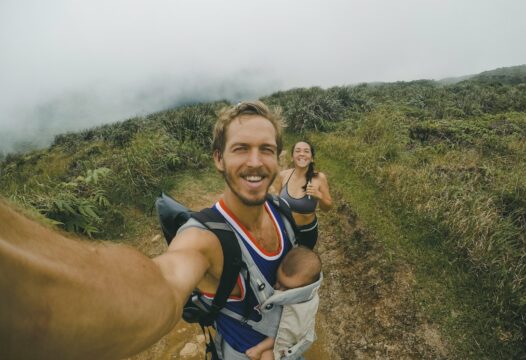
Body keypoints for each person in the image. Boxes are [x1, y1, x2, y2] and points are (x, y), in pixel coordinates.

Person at [0, 101, 307, 360]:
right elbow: (165, 280)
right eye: (240, 148)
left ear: (278, 158)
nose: (255, 162)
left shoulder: (280, 209)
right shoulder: (205, 239)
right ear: (218, 158)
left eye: (266, 149)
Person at [245, 246, 322, 360]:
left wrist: (259, 348)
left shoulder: (299, 308)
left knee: (266, 356)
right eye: (278, 281)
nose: (277, 287)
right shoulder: (305, 289)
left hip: (291, 344)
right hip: (298, 339)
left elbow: (281, 334)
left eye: (286, 288)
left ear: (302, 290)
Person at [276, 141, 332, 249]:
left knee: (301, 263)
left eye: (306, 151)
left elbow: (327, 207)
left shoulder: (319, 178)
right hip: (284, 230)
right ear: (292, 157)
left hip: (306, 233)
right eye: (297, 151)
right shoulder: (283, 175)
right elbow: (278, 203)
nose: (302, 154)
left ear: (312, 159)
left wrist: (319, 196)